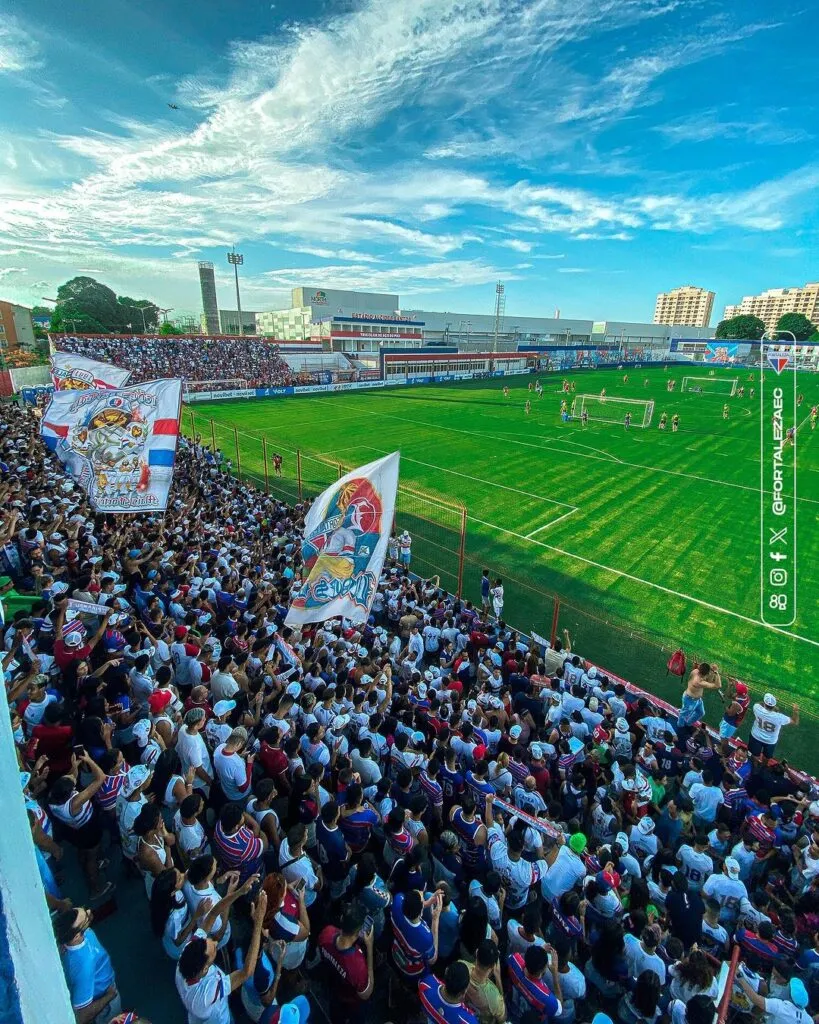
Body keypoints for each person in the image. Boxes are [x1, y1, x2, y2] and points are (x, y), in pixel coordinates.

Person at [175, 890, 267, 1024]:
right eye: (213, 950)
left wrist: (240, 891)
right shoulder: (208, 993)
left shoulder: (188, 953)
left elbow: (212, 914)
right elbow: (246, 972)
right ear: (205, 969)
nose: (215, 942)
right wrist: (258, 924)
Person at [55, 906, 121, 1024]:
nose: (89, 911)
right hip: (104, 1002)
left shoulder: (80, 935)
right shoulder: (83, 967)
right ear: (76, 937)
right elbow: (82, 1016)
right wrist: (110, 996)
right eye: (85, 918)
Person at [317, 904, 375, 1023]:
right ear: (359, 931)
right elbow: (366, 994)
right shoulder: (357, 965)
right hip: (349, 1001)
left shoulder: (327, 933)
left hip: (332, 987)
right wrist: (369, 947)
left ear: (342, 919)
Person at [748, 693, 799, 759]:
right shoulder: (779, 717)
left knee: (755, 755)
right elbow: (795, 722)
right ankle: (763, 767)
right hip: (770, 741)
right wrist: (796, 710)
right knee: (767, 757)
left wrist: (770, 704)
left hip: (756, 736)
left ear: (764, 703)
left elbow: (759, 703)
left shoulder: (757, 708)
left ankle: (754, 766)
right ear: (774, 706)